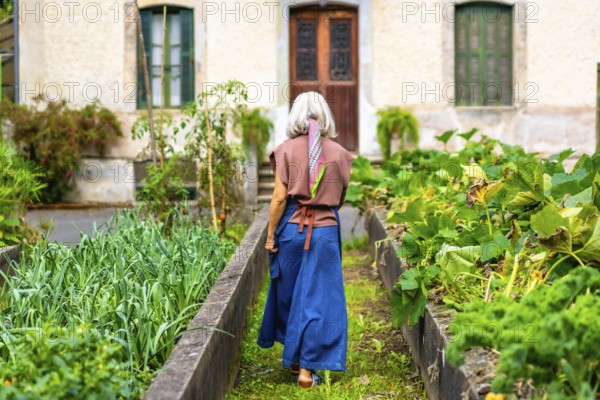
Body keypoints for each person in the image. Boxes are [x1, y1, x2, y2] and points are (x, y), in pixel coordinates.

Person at [257, 91, 354, 388]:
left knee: (290, 295)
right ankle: (306, 368)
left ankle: (297, 359)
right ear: (325, 117)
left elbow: (278, 198)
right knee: (318, 300)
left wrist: (272, 235)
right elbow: (340, 199)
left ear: (295, 116)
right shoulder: (340, 154)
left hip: (291, 232)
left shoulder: (285, 150)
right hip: (324, 232)